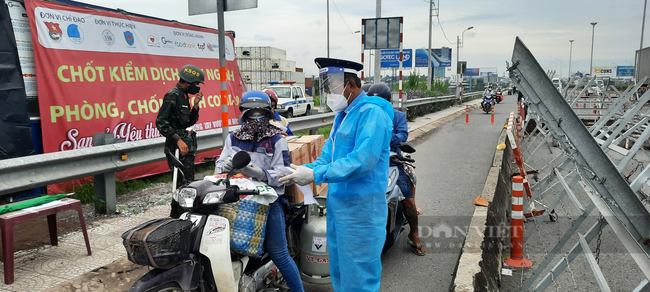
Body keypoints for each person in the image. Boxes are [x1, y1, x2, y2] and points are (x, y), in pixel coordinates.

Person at [279, 57, 394, 292]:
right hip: (339, 208)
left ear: (351, 85)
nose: (328, 93)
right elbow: (327, 158)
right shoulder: (342, 116)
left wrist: (315, 175)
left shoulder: (371, 114)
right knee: (340, 273)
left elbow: (361, 162)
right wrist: (302, 170)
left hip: (362, 213)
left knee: (360, 277)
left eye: (331, 86)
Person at [214, 90, 304, 292]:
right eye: (251, 112)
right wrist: (225, 166)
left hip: (268, 202)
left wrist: (261, 173)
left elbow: (284, 172)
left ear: (268, 113)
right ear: (244, 113)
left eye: (260, 112)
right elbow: (219, 164)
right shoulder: (233, 138)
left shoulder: (276, 139)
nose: (256, 117)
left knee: (279, 253)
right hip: (236, 201)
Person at [367, 83, 425, 256]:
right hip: (370, 163)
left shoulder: (398, 116)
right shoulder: (365, 116)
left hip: (392, 162)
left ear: (389, 101)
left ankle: (414, 233)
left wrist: (385, 136)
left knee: (408, 201)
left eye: (381, 101)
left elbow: (403, 135)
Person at [156, 64, 205, 218]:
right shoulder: (173, 95)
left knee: (186, 183)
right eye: (196, 83)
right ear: (188, 82)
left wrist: (195, 105)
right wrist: (177, 139)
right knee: (181, 184)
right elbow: (161, 122)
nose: (197, 87)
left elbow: (188, 122)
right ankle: (182, 217)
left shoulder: (184, 96)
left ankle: (176, 216)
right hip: (176, 148)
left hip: (186, 147)